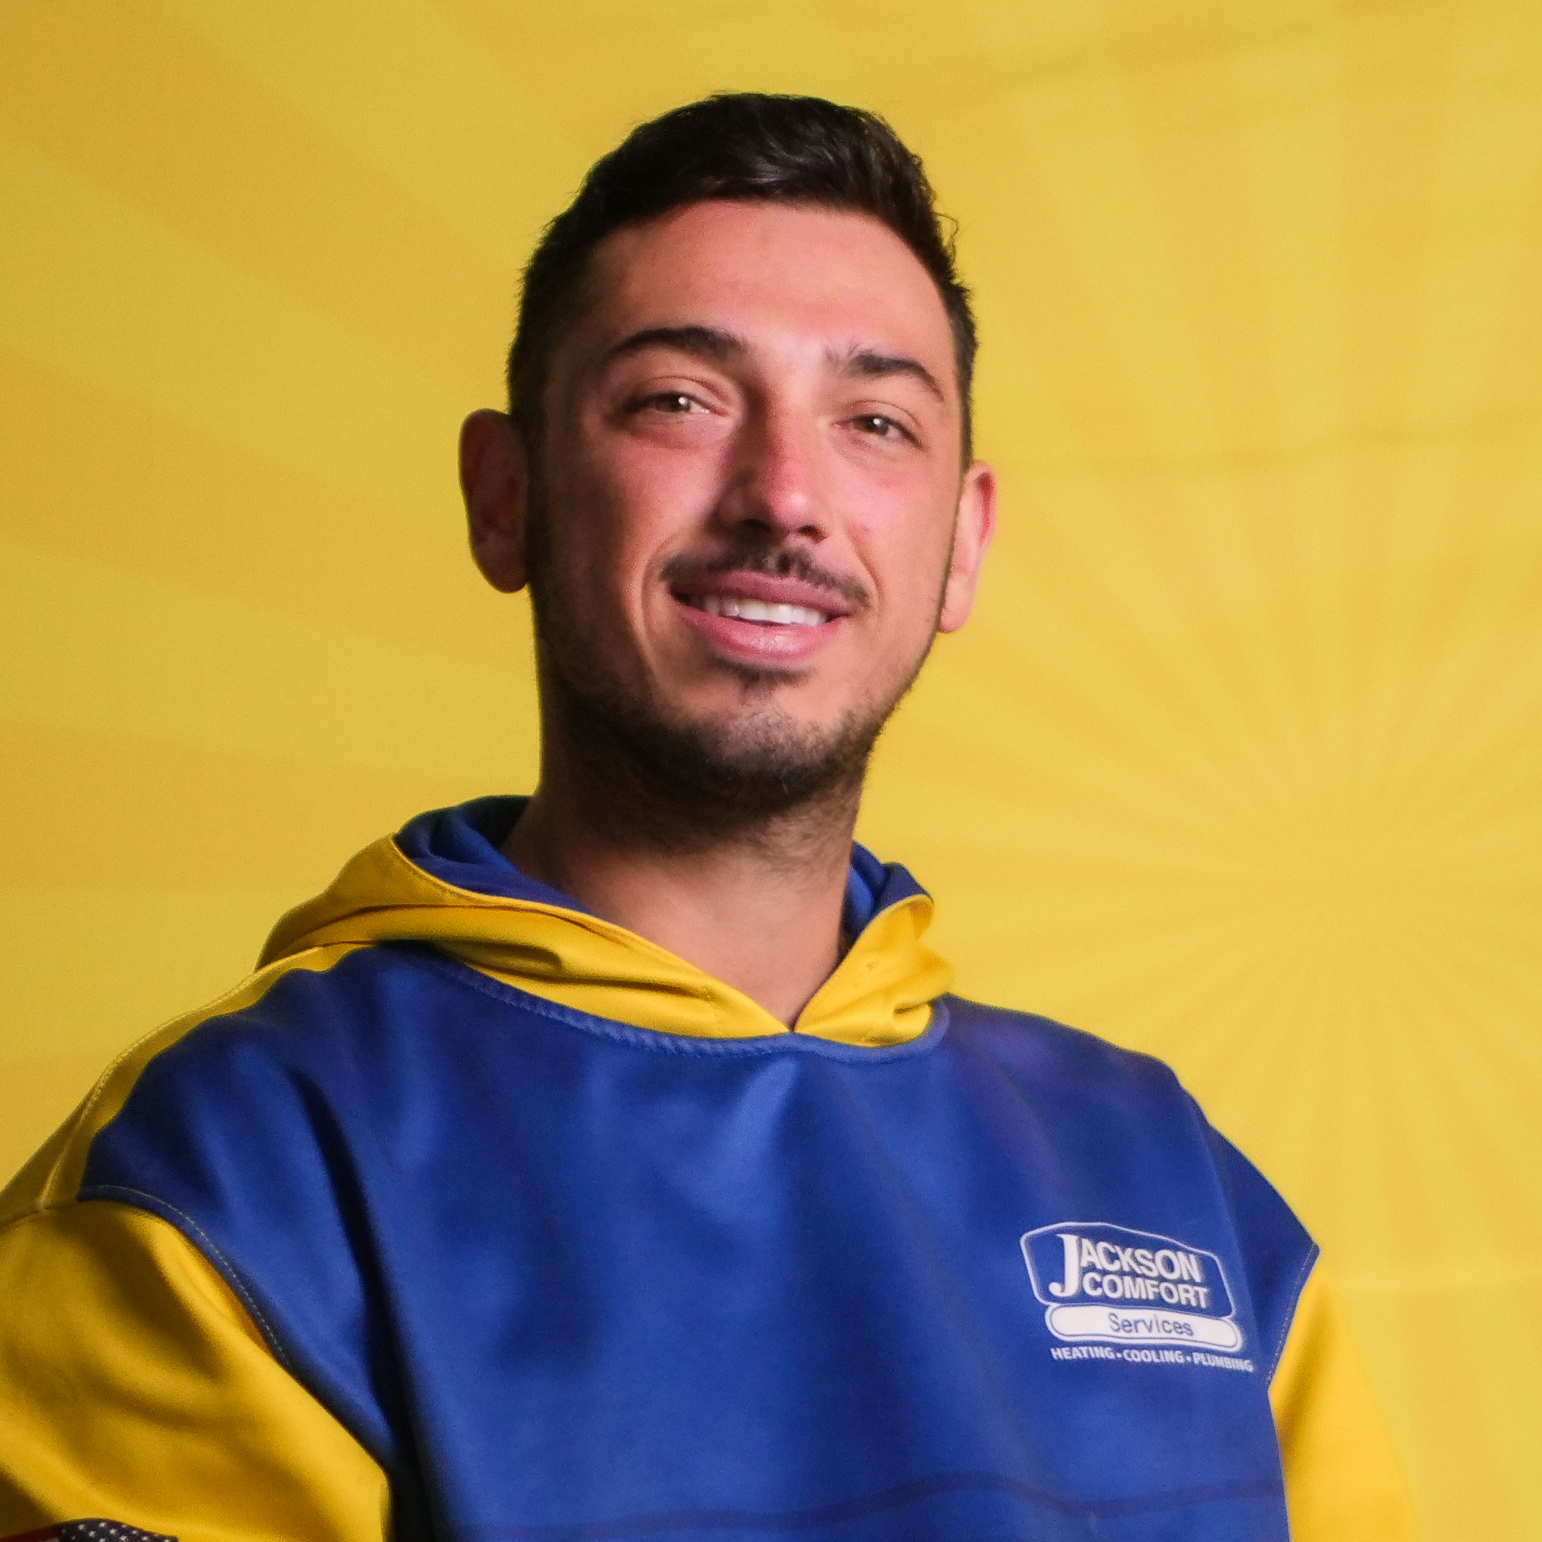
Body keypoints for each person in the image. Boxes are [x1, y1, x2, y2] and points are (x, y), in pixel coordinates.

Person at [0, 94, 1415, 1542]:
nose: (784, 496)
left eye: (873, 421)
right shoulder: (229, 1174)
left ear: (960, 544)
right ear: (507, 494)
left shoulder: (1169, 1175)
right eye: (679, 398)